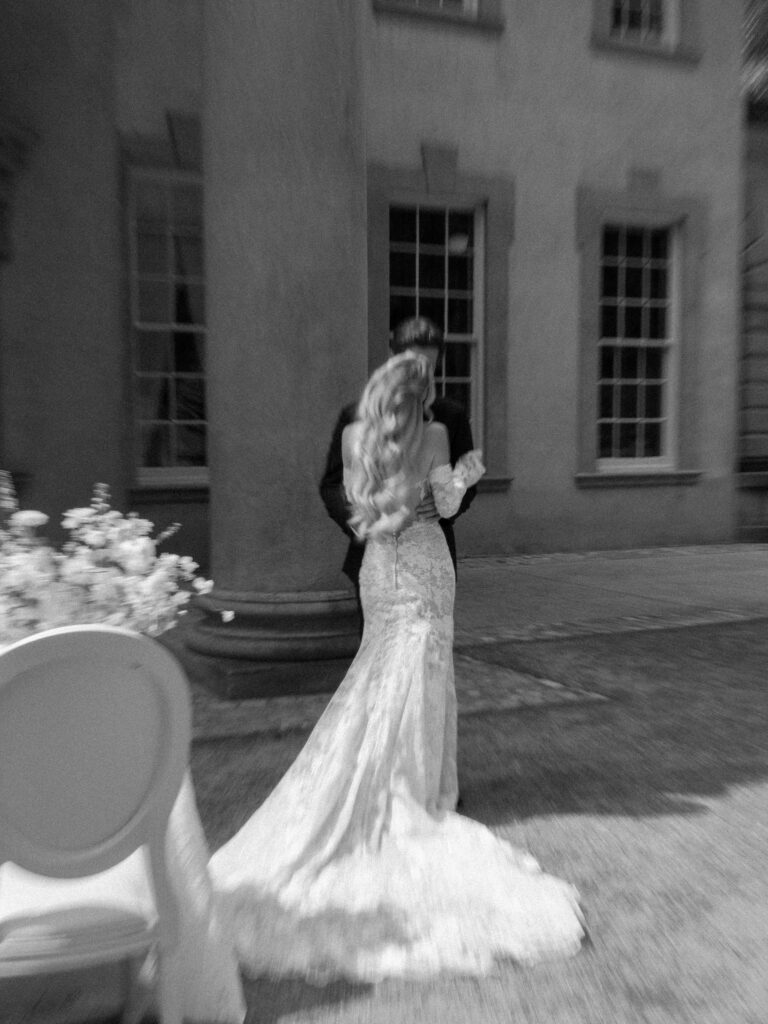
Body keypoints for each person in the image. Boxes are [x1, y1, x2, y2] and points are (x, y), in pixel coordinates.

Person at [206, 351, 585, 982]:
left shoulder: (356, 435)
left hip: (379, 566)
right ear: (425, 393)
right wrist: (468, 470)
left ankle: (385, 780)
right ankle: (419, 791)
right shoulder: (436, 434)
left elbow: (363, 507)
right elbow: (446, 502)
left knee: (378, 674)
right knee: (424, 675)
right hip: (427, 566)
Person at [320, 316, 476, 623]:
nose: (422, 374)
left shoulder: (450, 417)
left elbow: (465, 485)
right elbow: (331, 484)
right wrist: (361, 523)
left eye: (430, 366)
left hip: (429, 558)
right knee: (376, 649)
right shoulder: (356, 417)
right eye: (413, 363)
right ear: (393, 360)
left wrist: (444, 507)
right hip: (373, 555)